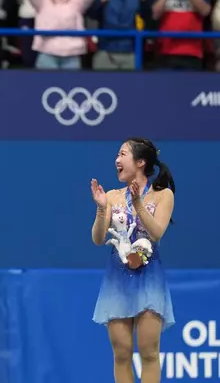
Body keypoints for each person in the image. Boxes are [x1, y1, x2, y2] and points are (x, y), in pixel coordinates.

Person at [91, 137, 175, 383]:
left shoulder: (163, 195)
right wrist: (100, 208)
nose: (116, 160)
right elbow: (97, 239)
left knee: (149, 352)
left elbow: (157, 232)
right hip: (117, 278)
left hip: (150, 277)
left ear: (140, 162)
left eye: (122, 154)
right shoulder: (112, 196)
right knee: (122, 352)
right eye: (117, 155)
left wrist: (138, 203)